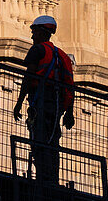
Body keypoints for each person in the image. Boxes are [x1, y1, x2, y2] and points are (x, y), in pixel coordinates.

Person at [13, 15, 74, 184]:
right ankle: (52, 180)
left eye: (34, 32)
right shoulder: (63, 57)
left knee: (39, 140)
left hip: (41, 101)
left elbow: (29, 76)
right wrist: (69, 113)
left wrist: (19, 103)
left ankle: (43, 180)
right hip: (56, 106)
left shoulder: (38, 50)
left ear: (41, 32)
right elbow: (70, 85)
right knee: (53, 142)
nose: (32, 37)